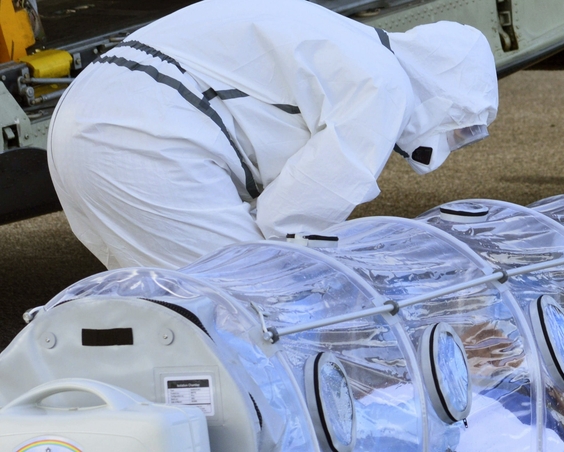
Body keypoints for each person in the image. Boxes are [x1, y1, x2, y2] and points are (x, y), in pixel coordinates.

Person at [47, 0, 498, 269]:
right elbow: (290, 221)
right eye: (459, 130)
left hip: (82, 119)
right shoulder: (382, 86)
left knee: (167, 304)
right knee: (240, 307)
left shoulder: (339, 37)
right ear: (445, 94)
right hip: (142, 142)